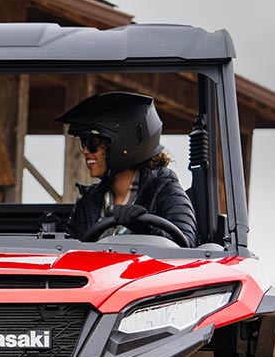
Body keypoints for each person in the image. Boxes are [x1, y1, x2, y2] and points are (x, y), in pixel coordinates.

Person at [57, 91, 197, 246]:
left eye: (92, 142)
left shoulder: (164, 188)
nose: (85, 150)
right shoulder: (89, 200)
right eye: (83, 143)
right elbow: (69, 250)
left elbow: (187, 244)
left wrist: (147, 230)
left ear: (123, 143)